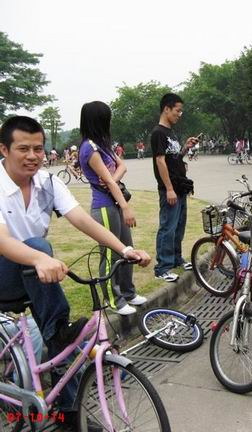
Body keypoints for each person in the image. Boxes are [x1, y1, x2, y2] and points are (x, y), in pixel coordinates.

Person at [0, 116, 150, 424]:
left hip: (32, 277)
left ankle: (69, 414)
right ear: (4, 149)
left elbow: (82, 220)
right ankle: (57, 337)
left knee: (68, 346)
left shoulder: (48, 182)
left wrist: (124, 249)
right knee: (39, 250)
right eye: (23, 149)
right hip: (6, 274)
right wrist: (38, 258)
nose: (33, 156)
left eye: (38, 149)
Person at [79, 101, 147, 316]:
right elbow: (107, 182)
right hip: (104, 207)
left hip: (113, 202)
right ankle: (113, 300)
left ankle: (128, 292)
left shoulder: (103, 145)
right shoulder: (89, 148)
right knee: (110, 255)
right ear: (99, 120)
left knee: (127, 247)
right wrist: (126, 206)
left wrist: (111, 179)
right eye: (107, 118)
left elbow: (121, 168)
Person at [151, 93, 198, 282]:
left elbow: (174, 158)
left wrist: (185, 147)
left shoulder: (171, 132)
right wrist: (168, 188)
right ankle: (162, 267)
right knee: (168, 227)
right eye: (178, 110)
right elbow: (160, 162)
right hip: (169, 188)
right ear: (166, 109)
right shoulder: (158, 133)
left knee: (179, 226)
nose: (180, 114)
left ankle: (177, 259)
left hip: (180, 186)